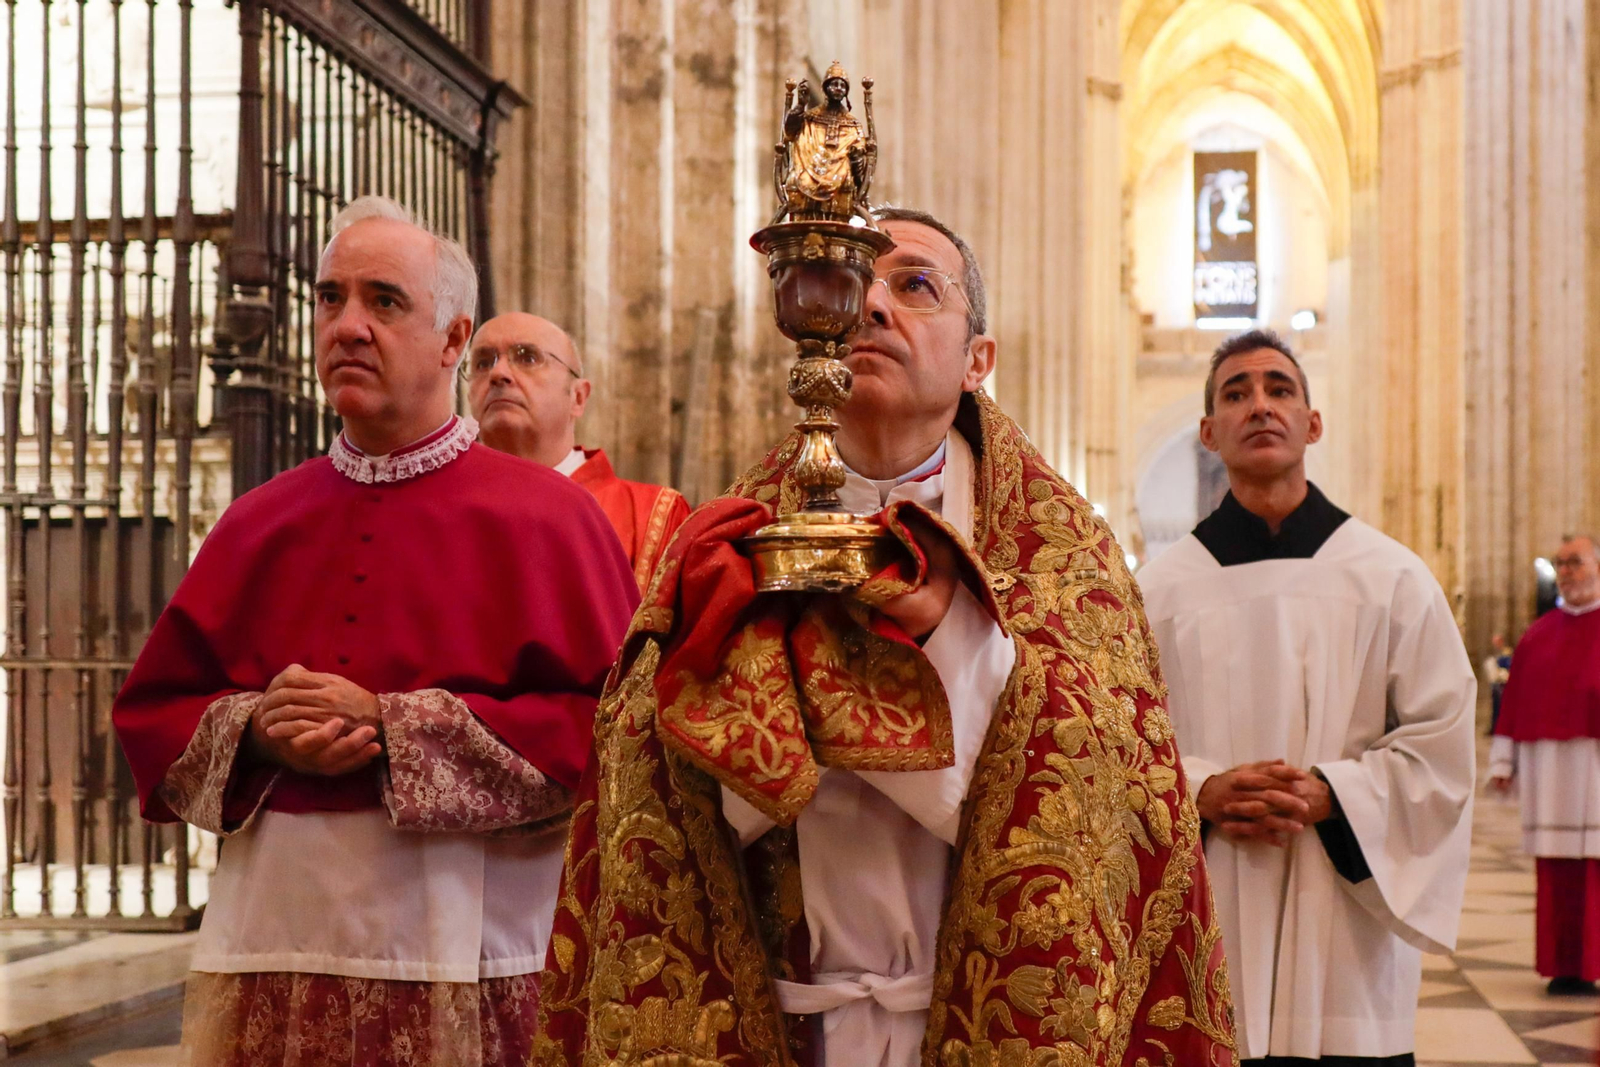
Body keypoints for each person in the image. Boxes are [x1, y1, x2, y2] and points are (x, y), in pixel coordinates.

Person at [534, 208, 1237, 1066]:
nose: (870, 306)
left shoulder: (1067, 559)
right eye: (849, 282)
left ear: (978, 359)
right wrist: (741, 674)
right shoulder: (729, 540)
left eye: (914, 285)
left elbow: (1112, 795)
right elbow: (645, 800)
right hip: (782, 1022)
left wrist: (949, 638)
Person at [112, 196, 638, 1065]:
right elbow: (155, 714)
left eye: (384, 301)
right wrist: (260, 731)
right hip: (277, 946)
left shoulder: (550, 520)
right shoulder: (257, 523)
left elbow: (620, 736)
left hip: (478, 947)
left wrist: (396, 727)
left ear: (451, 337)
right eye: (330, 298)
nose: (348, 325)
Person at [1137, 329, 1476, 1066]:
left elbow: (1441, 742)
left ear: (1312, 423)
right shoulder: (1156, 592)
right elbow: (1115, 746)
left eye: (1279, 388)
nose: (1260, 405)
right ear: (1208, 432)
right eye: (1236, 393)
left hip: (1343, 922)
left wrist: (1333, 794)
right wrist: (1201, 789)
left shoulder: (1390, 576)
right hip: (1209, 901)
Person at [465, 311, 689, 593]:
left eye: (527, 357)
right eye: (483, 362)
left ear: (578, 397)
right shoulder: (442, 512)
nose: (498, 374)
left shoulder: (654, 514)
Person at [1490, 534, 1600, 994]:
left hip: (1594, 773)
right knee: (1556, 873)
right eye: (1561, 564)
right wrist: (1503, 762)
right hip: (1550, 775)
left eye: (1576, 561)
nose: (1567, 571)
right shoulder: (1537, 636)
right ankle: (1561, 967)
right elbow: (1512, 705)